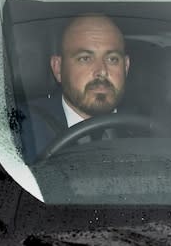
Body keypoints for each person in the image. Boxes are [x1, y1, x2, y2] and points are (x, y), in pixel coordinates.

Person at [19, 14, 130, 163]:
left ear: (126, 67)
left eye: (112, 59)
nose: (102, 71)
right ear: (58, 69)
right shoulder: (21, 130)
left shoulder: (149, 132)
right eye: (85, 58)